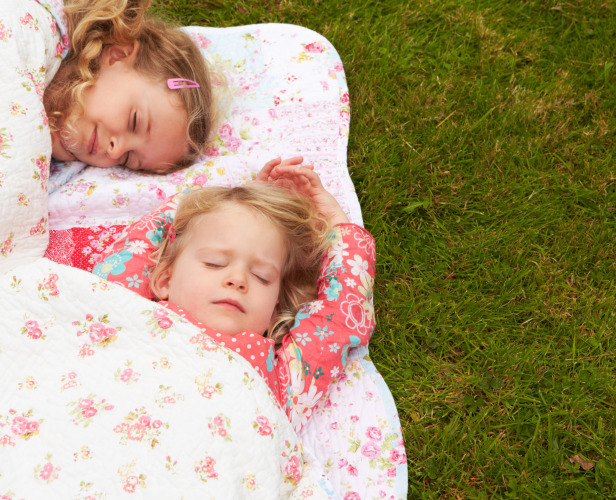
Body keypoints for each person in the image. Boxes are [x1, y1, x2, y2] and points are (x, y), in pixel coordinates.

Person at [45, 158, 376, 430]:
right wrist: (239, 197)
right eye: (215, 262)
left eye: (261, 277)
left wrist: (336, 224)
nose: (237, 279)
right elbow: (133, 250)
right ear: (164, 280)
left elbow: (340, 317)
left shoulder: (280, 377)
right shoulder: (124, 312)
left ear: (275, 310)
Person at [43, 0, 215, 173]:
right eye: (134, 121)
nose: (115, 150)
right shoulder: (43, 34)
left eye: (127, 159)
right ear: (118, 56)